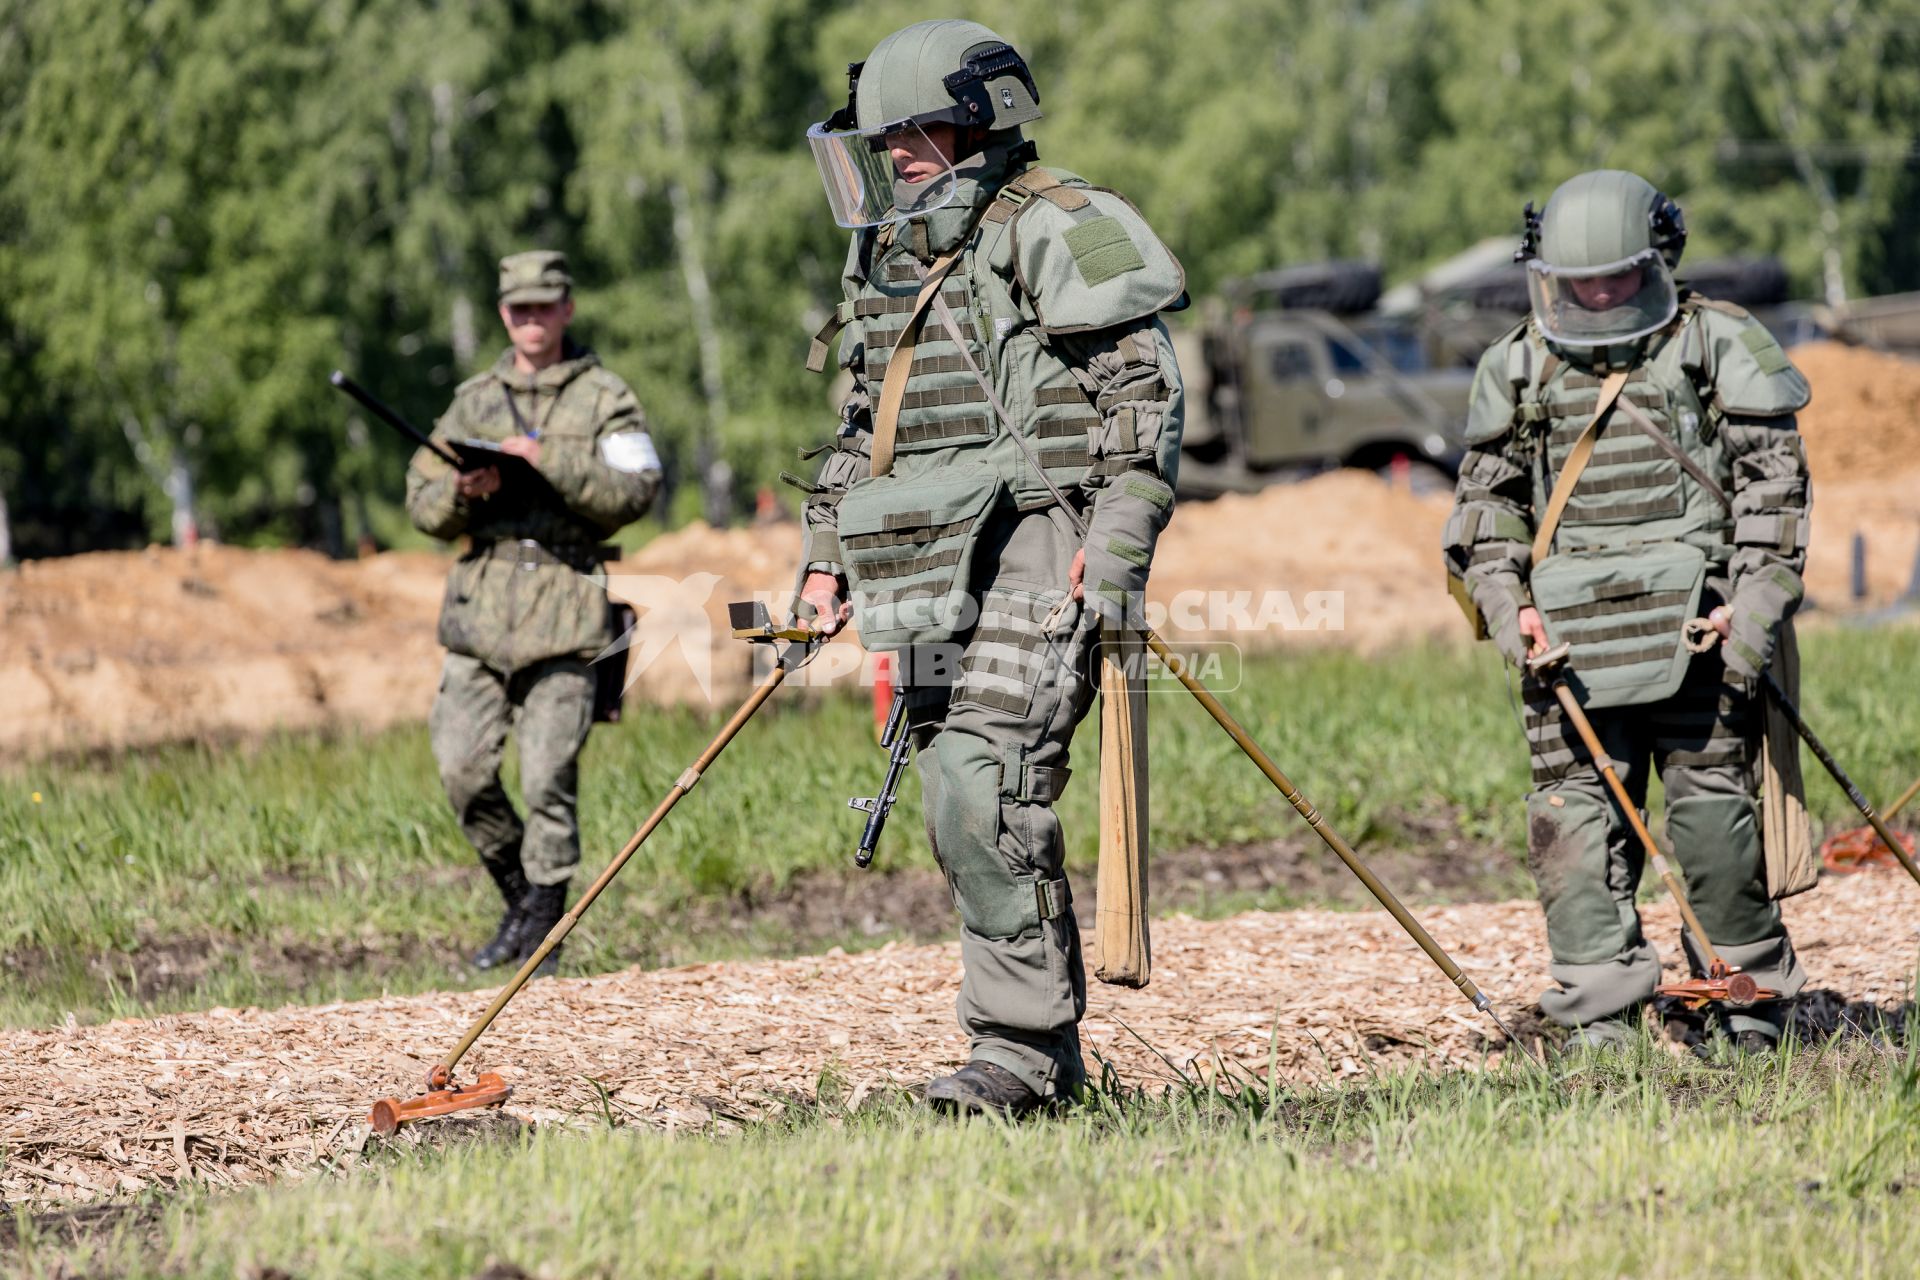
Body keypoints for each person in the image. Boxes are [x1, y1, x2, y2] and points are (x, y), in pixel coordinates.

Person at [793, 20, 1187, 1114]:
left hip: (1043, 541)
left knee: (984, 775)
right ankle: (1030, 1053)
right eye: (884, 138)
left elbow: (1144, 403)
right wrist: (827, 558)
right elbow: (866, 421)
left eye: (914, 132)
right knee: (957, 802)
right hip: (921, 557)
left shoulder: (1066, 229)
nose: (897, 155)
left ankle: (1017, 1053)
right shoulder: (885, 253)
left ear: (978, 121)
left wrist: (1115, 545)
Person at [1442, 170, 1813, 1052]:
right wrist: (1508, 608)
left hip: (1703, 636)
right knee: (1571, 824)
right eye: (1581, 283)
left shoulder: (1719, 343)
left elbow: (1775, 494)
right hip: (1564, 646)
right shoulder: (1518, 363)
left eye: (1616, 276)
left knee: (1714, 820)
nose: (1599, 295)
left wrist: (1751, 612)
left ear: (1658, 260)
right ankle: (1600, 1017)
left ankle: (1747, 1005)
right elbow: (1485, 510)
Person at [406, 250, 662, 976]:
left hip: (567, 609)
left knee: (549, 776)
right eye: (518, 309)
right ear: (502, 314)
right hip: (480, 616)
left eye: (544, 306)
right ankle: (519, 895)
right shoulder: (473, 401)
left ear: (567, 309)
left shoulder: (605, 396)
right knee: (461, 768)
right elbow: (421, 502)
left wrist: (547, 459)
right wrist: (465, 491)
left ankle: (544, 931)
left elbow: (637, 488)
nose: (532, 320)